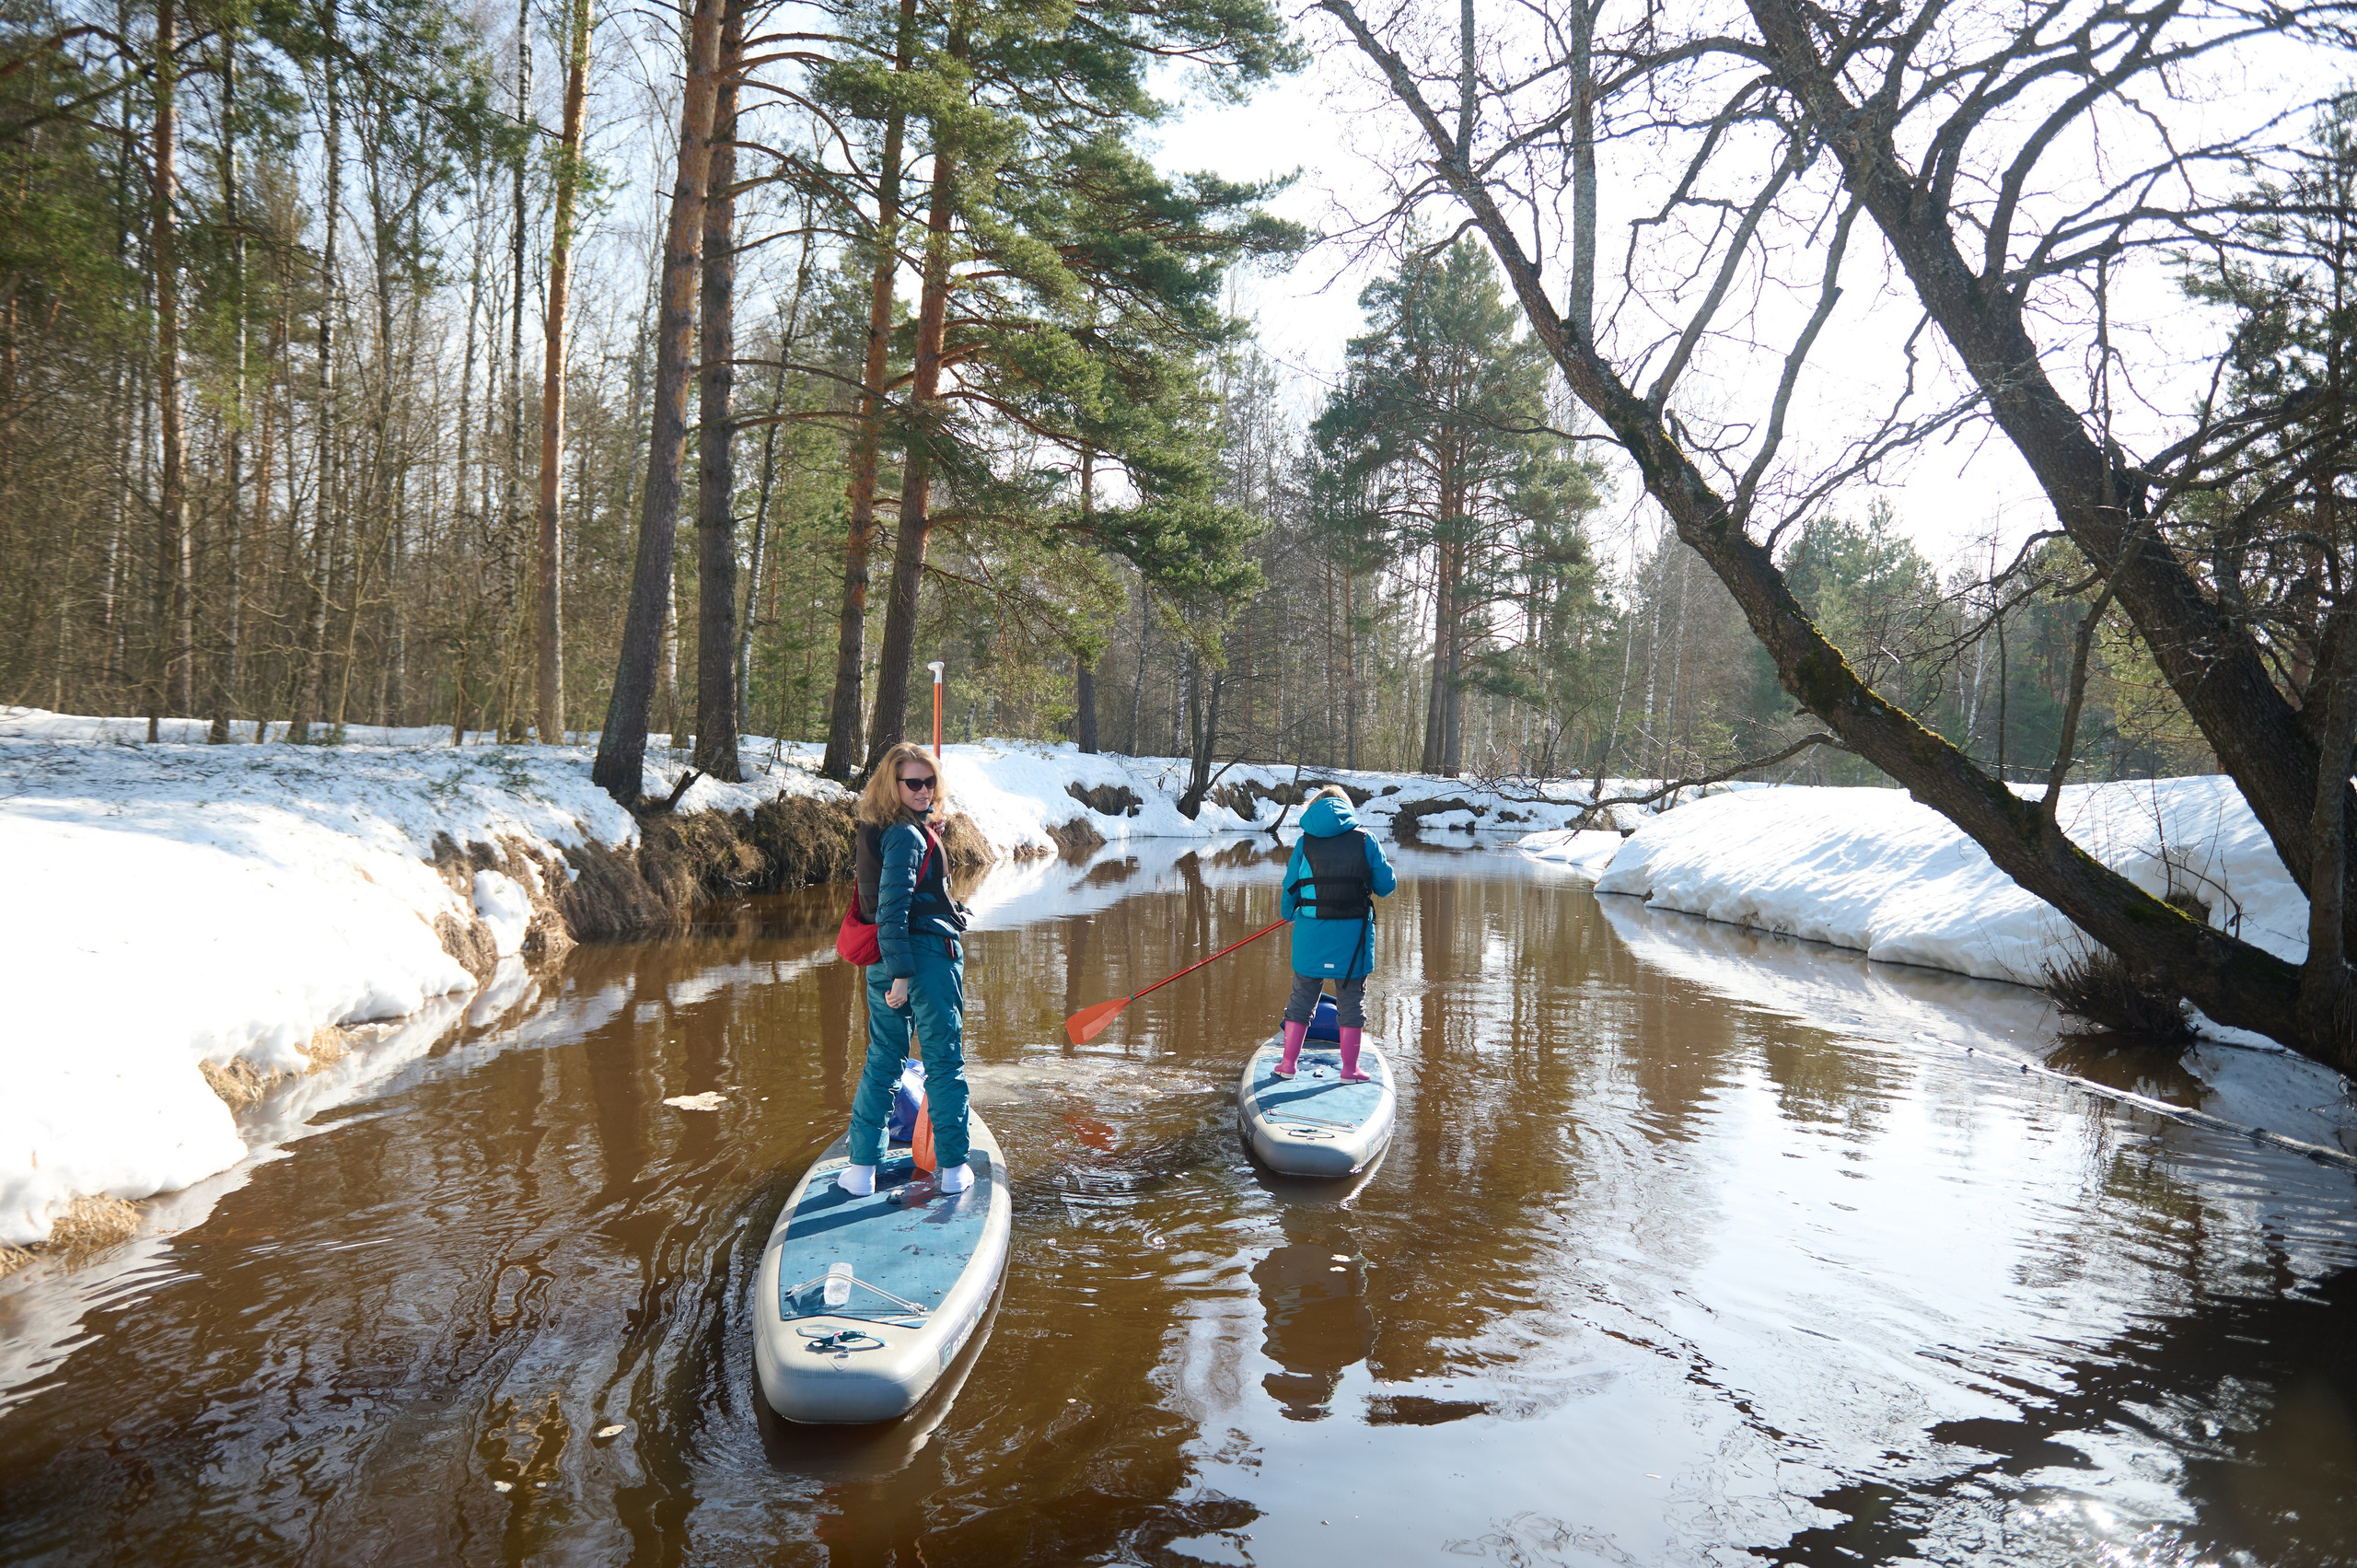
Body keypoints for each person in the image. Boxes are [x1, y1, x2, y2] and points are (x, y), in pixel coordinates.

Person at [838, 741, 975, 1196]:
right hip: (922, 963)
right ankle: (954, 1169)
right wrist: (902, 973)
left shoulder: (883, 830)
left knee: (883, 1060)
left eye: (929, 781)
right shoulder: (905, 836)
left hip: (884, 960)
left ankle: (861, 1170)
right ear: (891, 786)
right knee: (942, 1061)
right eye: (913, 783)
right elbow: (893, 909)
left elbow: (891, 905)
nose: (924, 790)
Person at [1277, 784, 1396, 1081]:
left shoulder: (1305, 843)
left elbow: (1290, 886)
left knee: (1301, 1000)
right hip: (1352, 938)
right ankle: (1350, 1069)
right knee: (1351, 1001)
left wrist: (1287, 912)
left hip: (1311, 936)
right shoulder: (1366, 840)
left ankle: (1288, 1065)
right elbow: (1386, 886)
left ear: (1313, 810)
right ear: (1346, 809)